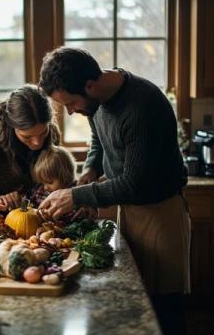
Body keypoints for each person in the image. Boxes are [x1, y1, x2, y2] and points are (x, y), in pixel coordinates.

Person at [38, 47, 190, 334]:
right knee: (130, 300)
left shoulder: (141, 107)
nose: (70, 111)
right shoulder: (97, 99)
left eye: (70, 103)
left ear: (90, 86)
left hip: (158, 213)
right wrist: (90, 170)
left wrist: (74, 196)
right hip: (124, 205)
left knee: (163, 307)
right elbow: (98, 136)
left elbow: (135, 184)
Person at [0, 84, 60, 212]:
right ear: (11, 124)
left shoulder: (52, 133)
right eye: (27, 137)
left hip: (34, 214)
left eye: (43, 133)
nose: (37, 143)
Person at [28, 145, 97, 222]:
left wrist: (89, 210)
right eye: (43, 183)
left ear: (66, 177)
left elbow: (91, 210)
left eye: (50, 182)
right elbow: (30, 205)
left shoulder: (78, 191)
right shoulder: (40, 191)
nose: (45, 187)